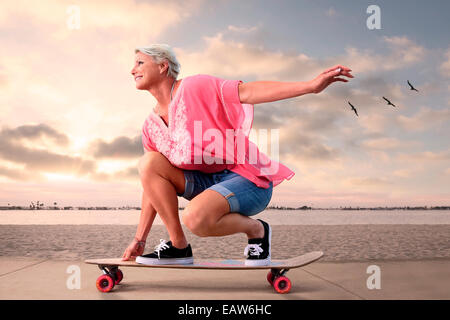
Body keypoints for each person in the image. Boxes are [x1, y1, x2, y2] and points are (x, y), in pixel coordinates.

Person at [122, 44, 353, 266]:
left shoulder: (194, 86)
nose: (133, 69)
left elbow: (248, 91)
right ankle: (178, 246)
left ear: (163, 66)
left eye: (140, 62)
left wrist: (310, 87)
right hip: (204, 184)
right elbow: (151, 185)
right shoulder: (150, 127)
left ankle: (257, 230)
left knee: (195, 218)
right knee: (149, 163)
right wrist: (139, 239)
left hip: (245, 178)